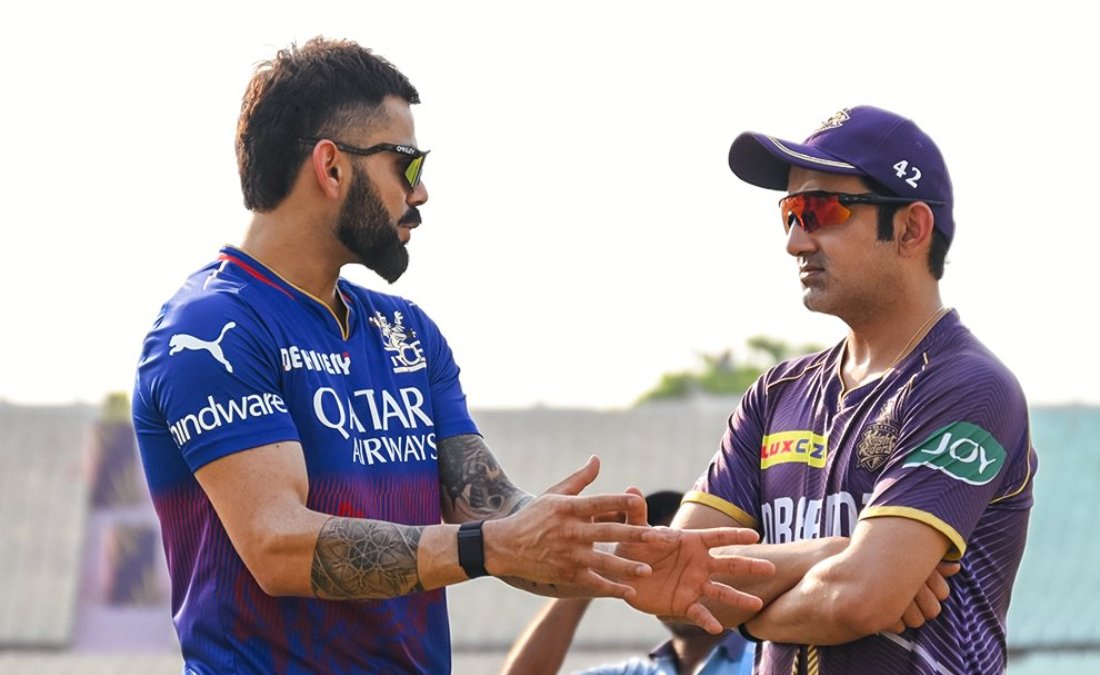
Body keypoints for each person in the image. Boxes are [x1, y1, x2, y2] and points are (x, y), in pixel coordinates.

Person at [130, 37, 772, 674]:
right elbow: (277, 547)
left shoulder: (406, 332)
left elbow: (491, 515)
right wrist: (490, 545)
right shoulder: (210, 328)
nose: (423, 192)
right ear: (331, 167)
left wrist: (621, 559)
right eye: (407, 164)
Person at [624, 106, 1038, 674]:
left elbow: (857, 598)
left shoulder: (968, 387)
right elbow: (673, 576)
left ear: (912, 229)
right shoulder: (776, 393)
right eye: (789, 212)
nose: (796, 241)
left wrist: (746, 605)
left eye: (820, 210)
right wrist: (836, 554)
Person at [501, 491, 755, 675]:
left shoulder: (766, 657)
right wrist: (591, 565)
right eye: (656, 562)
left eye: (686, 559)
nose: (672, 572)